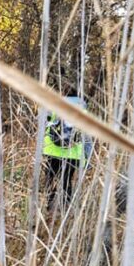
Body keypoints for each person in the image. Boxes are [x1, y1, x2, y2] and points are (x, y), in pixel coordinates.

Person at [43, 82, 88, 210]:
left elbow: (43, 123)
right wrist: (86, 159)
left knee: (50, 178)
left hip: (52, 150)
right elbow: (86, 136)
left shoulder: (53, 104)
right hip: (72, 152)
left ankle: (48, 205)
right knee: (66, 179)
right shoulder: (83, 109)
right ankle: (65, 207)